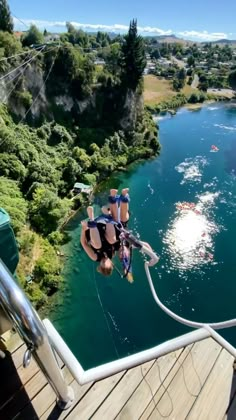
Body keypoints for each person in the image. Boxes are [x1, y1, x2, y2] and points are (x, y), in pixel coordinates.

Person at [80, 188, 130, 277]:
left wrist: (83, 230)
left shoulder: (95, 257)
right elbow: (122, 249)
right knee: (112, 240)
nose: (104, 259)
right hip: (104, 227)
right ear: (111, 263)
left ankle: (91, 219)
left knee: (98, 246)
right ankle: (108, 214)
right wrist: (126, 267)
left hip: (93, 231)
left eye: (102, 262)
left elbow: (84, 243)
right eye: (106, 261)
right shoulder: (112, 252)